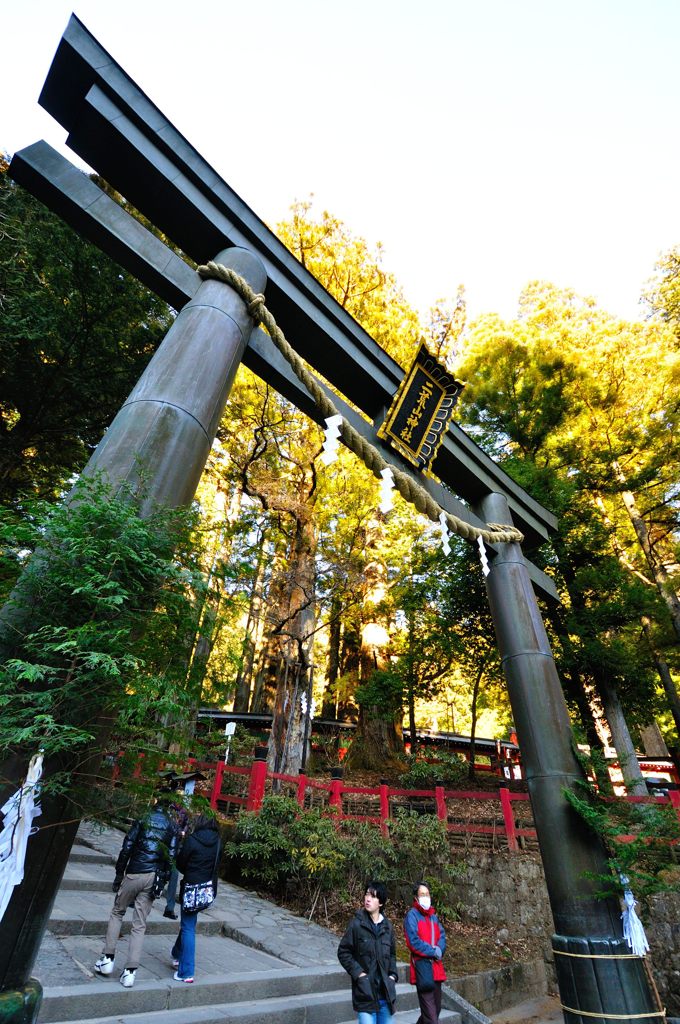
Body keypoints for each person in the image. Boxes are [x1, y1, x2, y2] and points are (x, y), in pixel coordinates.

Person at [94, 797, 178, 988]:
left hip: (134, 872)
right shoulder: (172, 826)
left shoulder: (143, 818)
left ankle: (107, 959)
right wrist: (162, 881)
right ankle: (130, 972)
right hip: (153, 876)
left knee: (118, 912)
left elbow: (127, 846)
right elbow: (171, 857)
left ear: (155, 803)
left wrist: (119, 873)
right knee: (139, 924)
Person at [338, 880, 398, 1024]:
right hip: (365, 994)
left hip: (386, 995)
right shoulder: (356, 924)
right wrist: (359, 973)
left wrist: (393, 975)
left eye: (373, 896)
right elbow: (343, 952)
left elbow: (392, 954)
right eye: (366, 894)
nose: (368, 899)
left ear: (381, 903)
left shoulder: (387, 927)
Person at [170, 812, 222, 983]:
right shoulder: (218, 842)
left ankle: (186, 972)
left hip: (191, 887)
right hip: (207, 890)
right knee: (189, 924)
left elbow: (181, 863)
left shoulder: (192, 840)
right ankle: (177, 954)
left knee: (188, 927)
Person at [403, 880, 447, 1024]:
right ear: (416, 897)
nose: (425, 897)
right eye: (422, 894)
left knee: (436, 1010)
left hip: (437, 969)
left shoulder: (433, 916)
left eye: (427, 894)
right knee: (431, 1018)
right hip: (423, 969)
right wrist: (432, 951)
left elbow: (442, 936)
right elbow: (413, 942)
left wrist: (440, 949)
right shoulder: (412, 916)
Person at [163, 792, 190, 920]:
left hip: (176, 847)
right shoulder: (168, 809)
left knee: (174, 877)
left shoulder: (185, 812)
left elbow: (187, 826)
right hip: (164, 845)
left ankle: (169, 908)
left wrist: (183, 832)